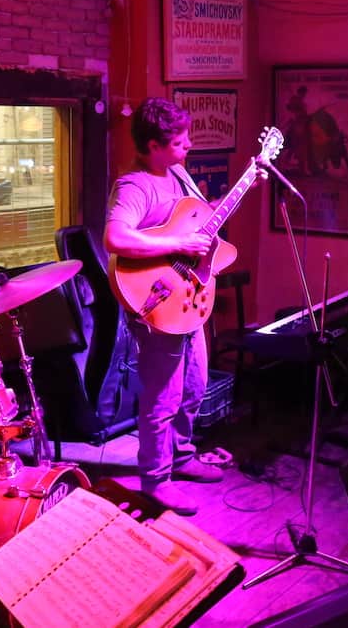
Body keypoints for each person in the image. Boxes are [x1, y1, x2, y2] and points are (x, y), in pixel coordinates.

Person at [104, 97, 264, 516]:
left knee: (194, 386)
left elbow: (203, 223)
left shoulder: (177, 173)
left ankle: (182, 455)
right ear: (153, 145)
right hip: (159, 300)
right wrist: (177, 243)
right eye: (179, 142)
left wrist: (247, 184)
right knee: (163, 396)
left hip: (189, 298)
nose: (188, 145)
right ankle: (156, 481)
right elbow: (116, 238)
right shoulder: (135, 185)